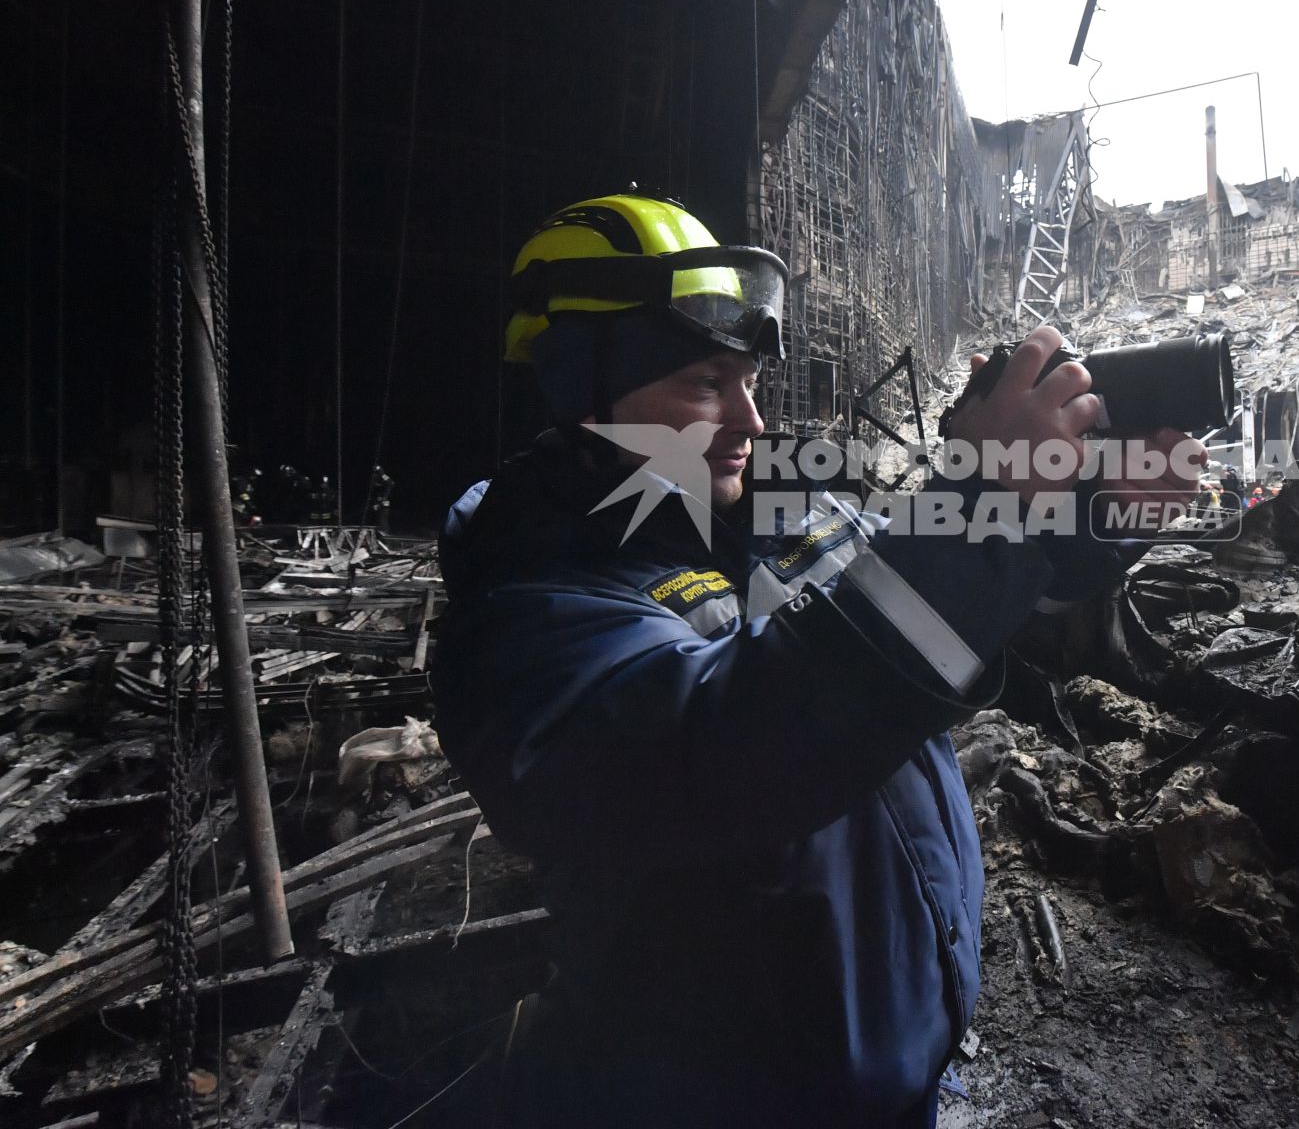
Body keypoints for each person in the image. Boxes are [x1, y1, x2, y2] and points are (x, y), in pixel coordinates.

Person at [431, 193, 1199, 1128]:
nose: (748, 423)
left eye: (750, 384)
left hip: (900, 1060)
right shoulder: (532, 613)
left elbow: (960, 618)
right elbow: (731, 746)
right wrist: (974, 500)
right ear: (581, 391)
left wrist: (1089, 521)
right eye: (706, 386)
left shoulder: (782, 517)